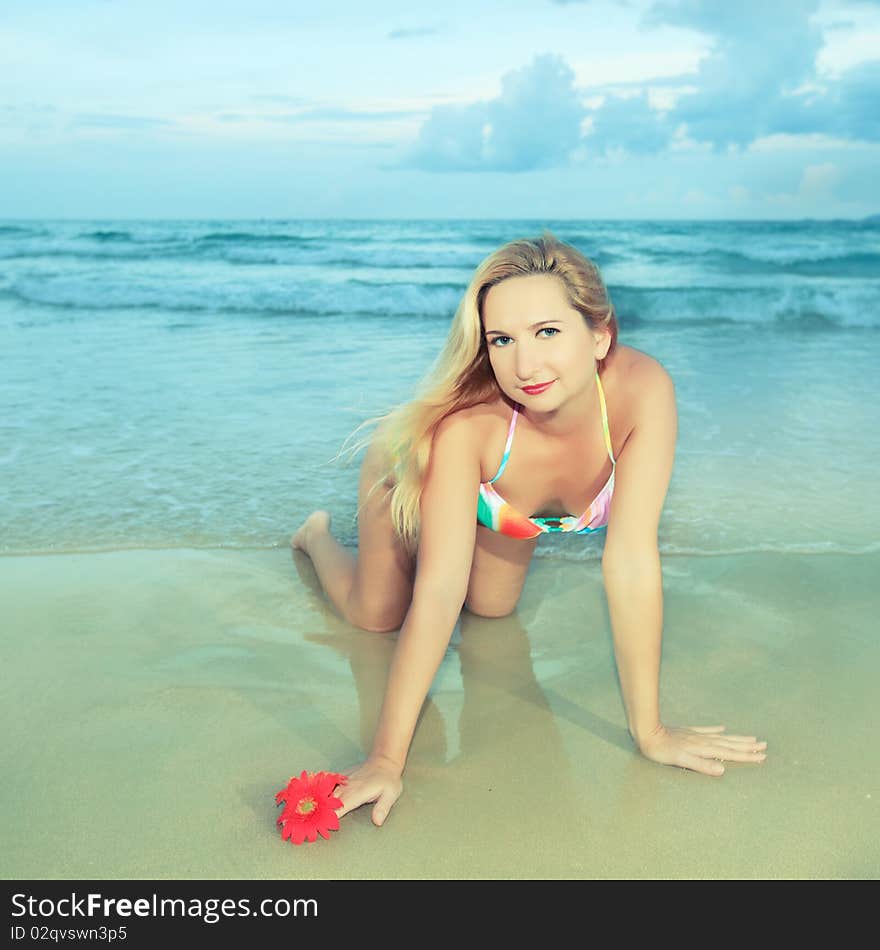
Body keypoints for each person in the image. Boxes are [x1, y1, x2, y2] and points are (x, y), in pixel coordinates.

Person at [291, 230, 767, 828]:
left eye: (547, 332)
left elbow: (630, 560)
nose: (524, 364)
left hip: (510, 511)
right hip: (408, 465)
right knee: (379, 611)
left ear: (600, 335)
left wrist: (651, 732)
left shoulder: (645, 391)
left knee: (491, 609)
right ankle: (315, 537)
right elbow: (440, 593)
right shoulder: (468, 431)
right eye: (502, 340)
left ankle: (428, 534)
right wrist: (386, 759)